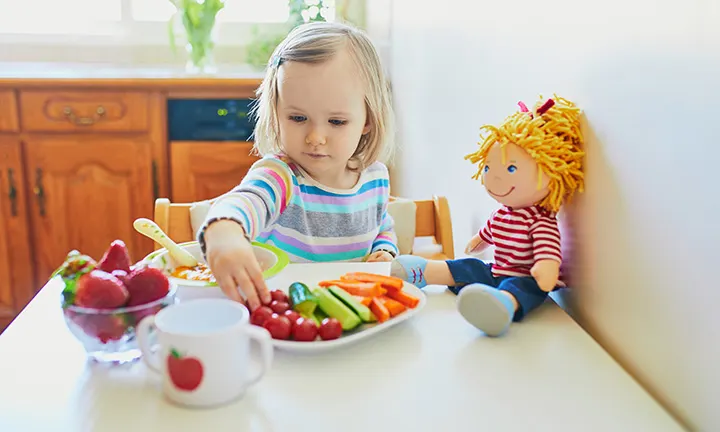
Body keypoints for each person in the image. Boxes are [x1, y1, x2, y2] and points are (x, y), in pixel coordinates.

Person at [197, 21, 399, 311]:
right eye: (298, 118)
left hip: (352, 319)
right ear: (277, 112)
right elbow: (246, 201)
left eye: (337, 122)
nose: (315, 138)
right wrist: (225, 229)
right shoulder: (280, 176)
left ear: (367, 119)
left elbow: (382, 225)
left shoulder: (375, 178)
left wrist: (383, 249)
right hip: (286, 317)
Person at [391, 95, 585, 337]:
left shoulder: (540, 221)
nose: (493, 178)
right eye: (488, 168)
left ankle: (501, 305)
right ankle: (424, 271)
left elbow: (548, 251)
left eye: (511, 168)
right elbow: (490, 232)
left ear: (551, 171)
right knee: (470, 265)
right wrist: (478, 241)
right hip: (495, 270)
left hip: (524, 277)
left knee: (521, 288)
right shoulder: (501, 213)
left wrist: (547, 268)